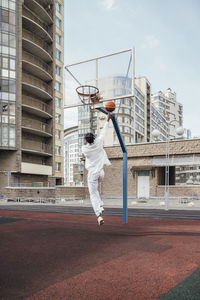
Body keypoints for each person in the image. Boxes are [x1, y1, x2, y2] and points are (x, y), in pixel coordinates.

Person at [82, 113, 112, 225]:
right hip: (101, 173)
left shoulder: (85, 149)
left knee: (93, 194)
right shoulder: (99, 142)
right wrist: (108, 120)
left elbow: (86, 153)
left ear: (86, 140)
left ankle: (98, 215)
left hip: (93, 174)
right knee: (95, 191)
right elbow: (103, 131)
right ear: (94, 138)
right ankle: (101, 205)